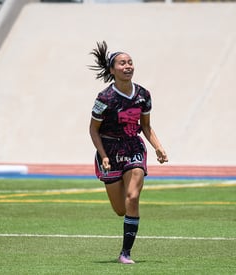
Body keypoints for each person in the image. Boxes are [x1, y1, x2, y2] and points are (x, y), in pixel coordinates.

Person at [89, 41, 168, 264]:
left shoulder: (143, 94)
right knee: (120, 209)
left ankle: (125, 253)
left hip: (133, 147)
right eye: (122, 63)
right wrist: (103, 155)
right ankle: (127, 228)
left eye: (130, 62)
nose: (128, 66)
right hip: (110, 151)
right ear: (112, 69)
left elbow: (146, 127)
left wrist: (158, 147)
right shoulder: (104, 98)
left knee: (133, 198)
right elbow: (93, 130)